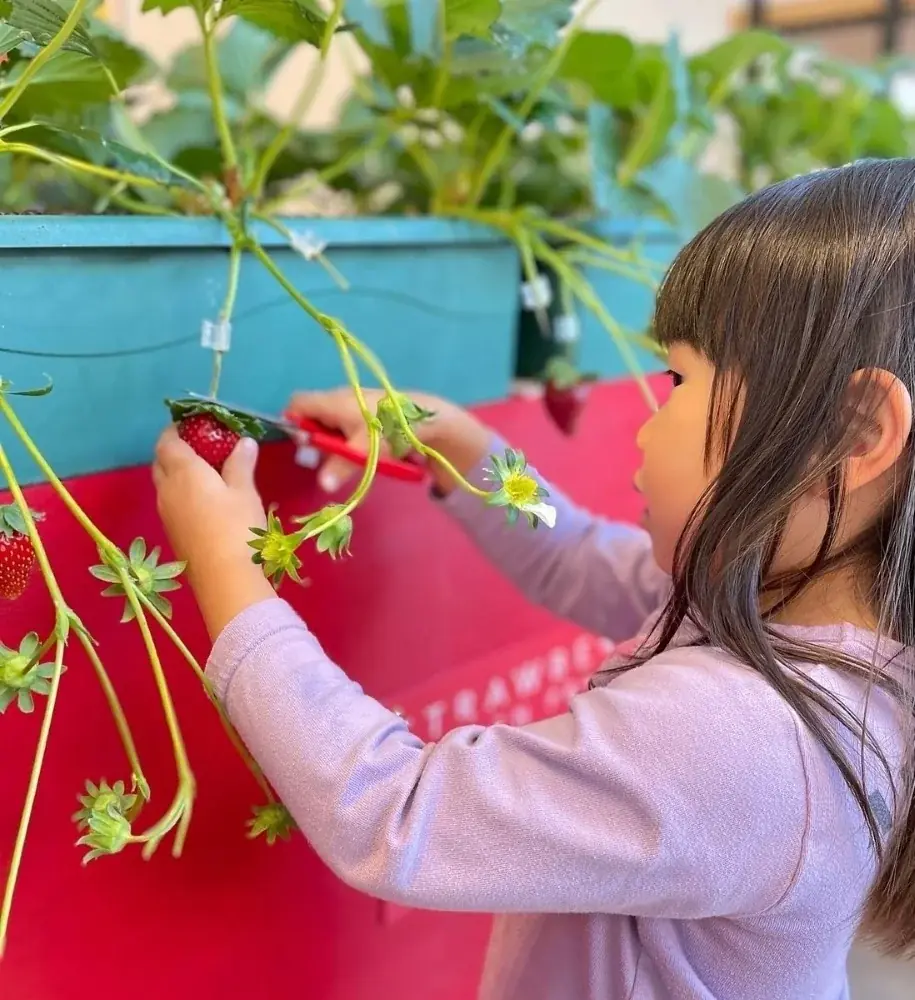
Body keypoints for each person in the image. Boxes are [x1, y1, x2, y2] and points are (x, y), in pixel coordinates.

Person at [151, 159, 915, 1000]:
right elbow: (576, 552)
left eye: (678, 381)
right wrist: (474, 461)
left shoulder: (747, 738)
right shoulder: (804, 634)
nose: (647, 424)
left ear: (849, 434)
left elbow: (392, 810)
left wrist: (227, 570)